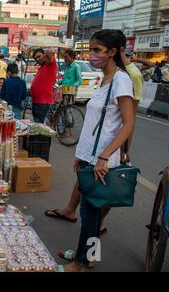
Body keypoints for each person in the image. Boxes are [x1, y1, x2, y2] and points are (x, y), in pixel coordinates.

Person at [51, 30, 135, 271]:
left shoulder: (121, 80)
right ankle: (90, 256)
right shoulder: (104, 79)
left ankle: (78, 264)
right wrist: (81, 153)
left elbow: (127, 124)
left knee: (89, 214)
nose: (92, 55)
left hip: (101, 161)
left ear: (113, 52)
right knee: (94, 214)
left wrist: (104, 156)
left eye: (97, 50)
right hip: (90, 156)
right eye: (91, 49)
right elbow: (95, 124)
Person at [30, 48, 58, 123]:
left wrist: (47, 55)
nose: (37, 59)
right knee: (37, 123)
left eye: (39, 56)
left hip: (43, 102)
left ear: (44, 55)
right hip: (36, 101)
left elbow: (50, 52)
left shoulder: (51, 65)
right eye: (36, 58)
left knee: (39, 125)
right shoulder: (42, 67)